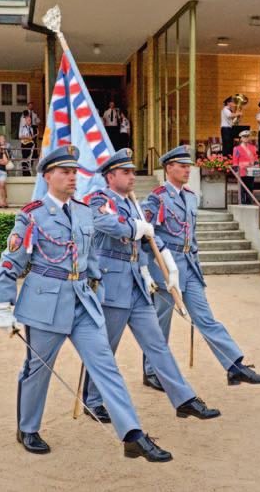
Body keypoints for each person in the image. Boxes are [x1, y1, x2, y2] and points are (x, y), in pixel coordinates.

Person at [0, 145, 172, 461]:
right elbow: (11, 261)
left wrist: (103, 292)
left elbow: (91, 261)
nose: (73, 177)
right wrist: (4, 306)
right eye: (65, 171)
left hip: (83, 303)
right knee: (38, 369)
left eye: (75, 171)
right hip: (45, 305)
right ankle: (28, 427)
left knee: (106, 365)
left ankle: (132, 434)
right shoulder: (32, 214)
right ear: (49, 176)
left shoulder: (83, 210)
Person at [84, 148, 220, 424]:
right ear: (110, 176)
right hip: (111, 284)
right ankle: (93, 400)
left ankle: (183, 398)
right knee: (106, 347)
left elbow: (148, 243)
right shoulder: (100, 198)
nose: (132, 176)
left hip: (136, 282)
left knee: (158, 344)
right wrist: (136, 227)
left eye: (133, 171)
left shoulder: (134, 203)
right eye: (126, 172)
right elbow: (106, 223)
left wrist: (162, 268)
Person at [141, 145, 260, 387]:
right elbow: (147, 235)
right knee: (160, 322)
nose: (187, 170)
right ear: (169, 168)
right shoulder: (157, 198)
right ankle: (151, 372)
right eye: (182, 166)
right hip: (166, 269)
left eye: (188, 166)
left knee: (206, 317)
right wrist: (149, 268)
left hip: (189, 267)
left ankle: (234, 365)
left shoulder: (190, 196)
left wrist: (195, 260)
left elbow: (193, 235)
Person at [232, 130, 258, 205]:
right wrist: (236, 172)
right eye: (244, 137)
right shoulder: (237, 149)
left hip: (251, 171)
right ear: (241, 138)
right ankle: (242, 204)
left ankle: (250, 203)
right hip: (242, 171)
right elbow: (235, 161)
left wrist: (256, 166)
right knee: (242, 189)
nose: (246, 138)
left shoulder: (253, 148)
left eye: (247, 137)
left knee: (250, 188)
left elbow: (256, 158)